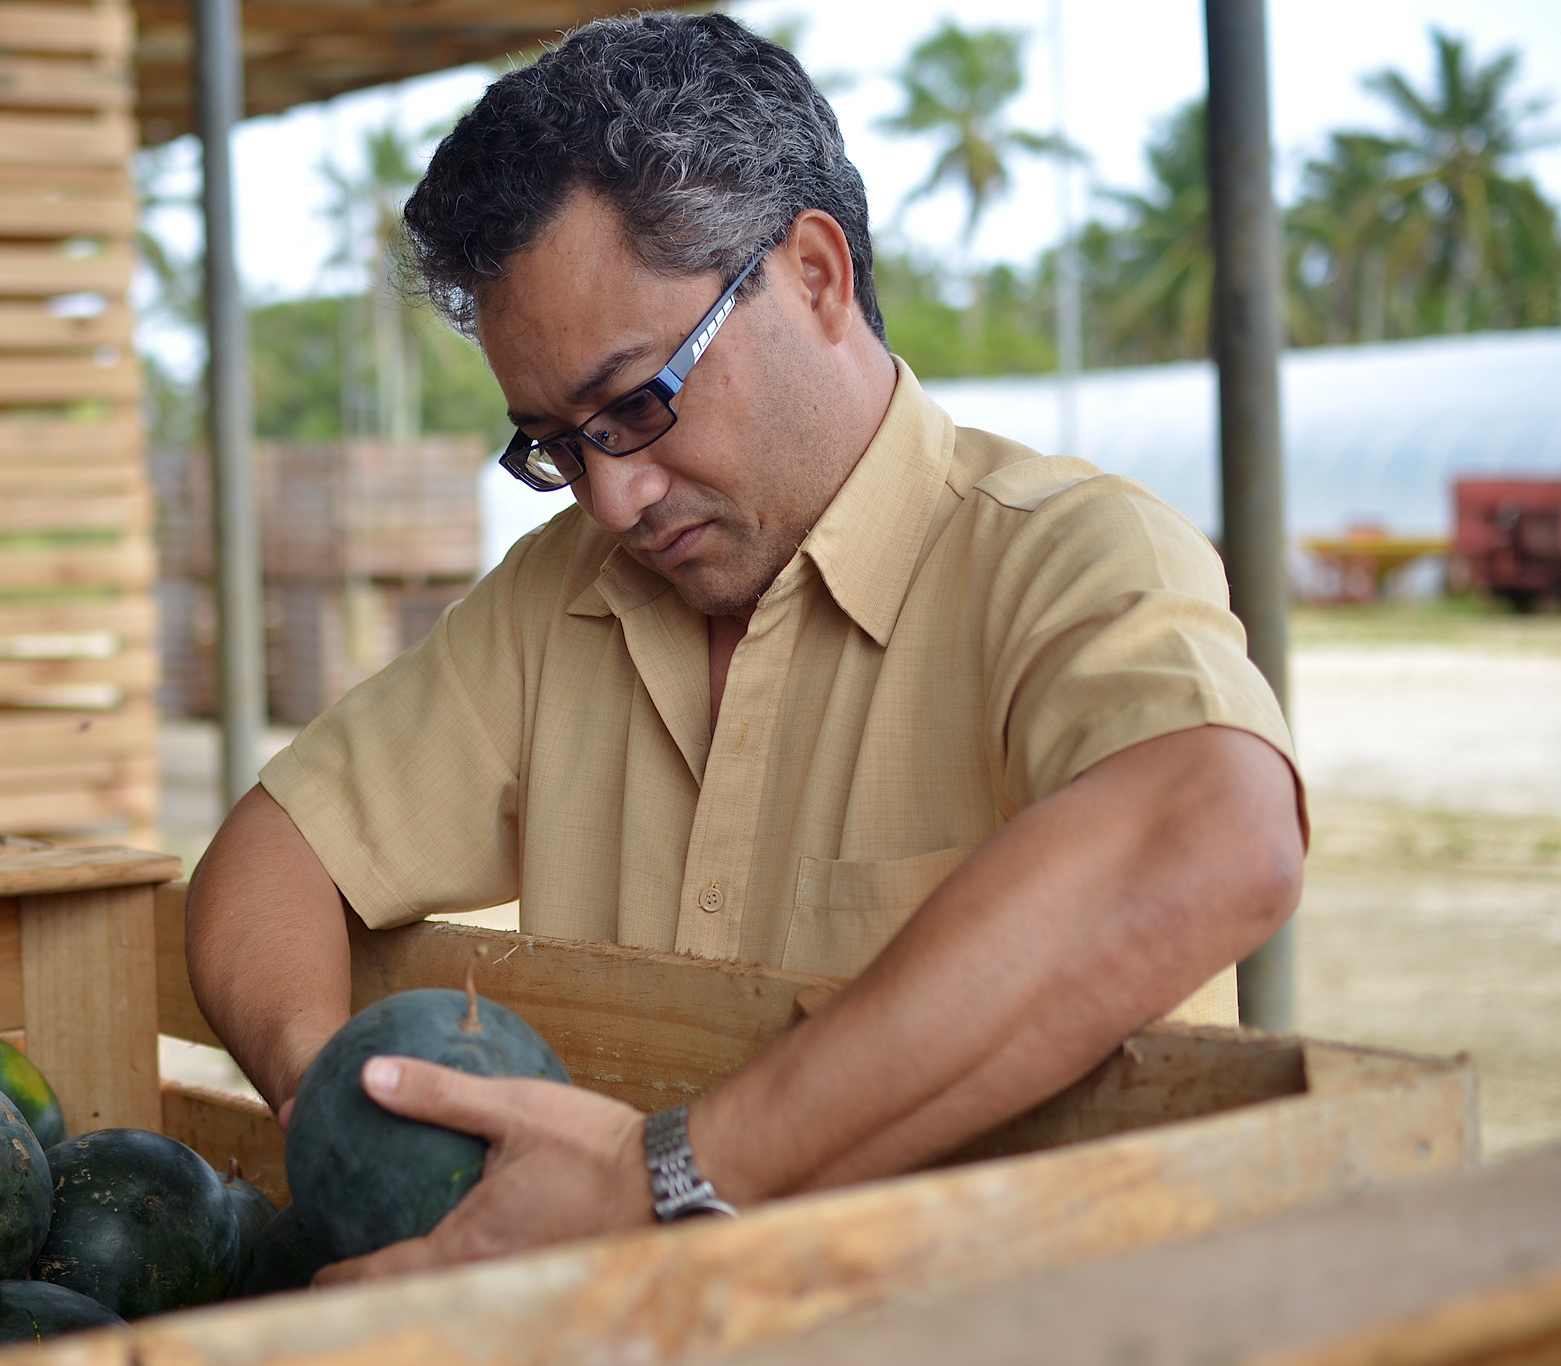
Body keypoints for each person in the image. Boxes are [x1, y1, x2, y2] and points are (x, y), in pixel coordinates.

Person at [186, 11, 1305, 1280]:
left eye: (638, 404)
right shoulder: (559, 601)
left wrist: (663, 1180)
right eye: (555, 443)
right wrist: (340, 1114)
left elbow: (1211, 831)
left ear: (816, 278)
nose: (612, 498)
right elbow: (269, 857)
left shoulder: (1064, 554)